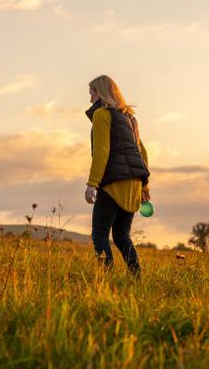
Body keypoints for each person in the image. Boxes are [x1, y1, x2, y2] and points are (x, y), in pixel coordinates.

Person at [85, 75, 150, 276]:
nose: (89, 99)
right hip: (134, 184)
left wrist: (92, 183)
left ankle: (107, 278)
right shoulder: (131, 118)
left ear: (101, 93)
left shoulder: (102, 115)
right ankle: (136, 277)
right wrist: (144, 187)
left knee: (99, 235)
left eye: (92, 93)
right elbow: (142, 152)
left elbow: (102, 151)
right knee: (122, 236)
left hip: (113, 183)